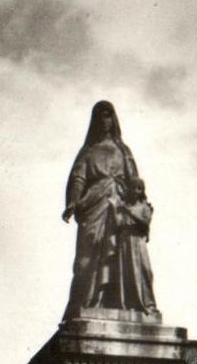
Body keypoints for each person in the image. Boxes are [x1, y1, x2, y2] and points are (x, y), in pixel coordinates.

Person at [61, 102, 159, 318]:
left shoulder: (124, 151)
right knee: (87, 260)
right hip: (94, 206)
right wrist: (73, 201)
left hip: (120, 210)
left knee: (122, 260)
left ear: (113, 119)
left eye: (108, 116)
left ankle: (119, 301)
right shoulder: (88, 151)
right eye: (100, 116)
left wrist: (140, 210)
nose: (104, 121)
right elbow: (78, 178)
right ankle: (85, 303)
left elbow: (135, 183)